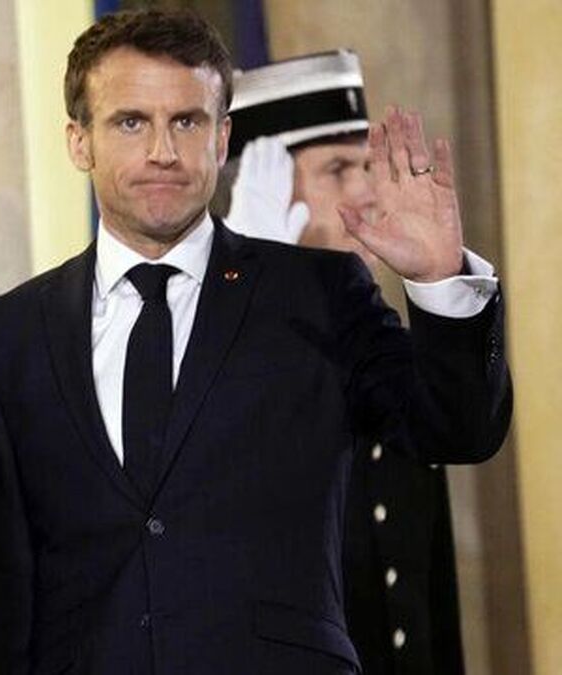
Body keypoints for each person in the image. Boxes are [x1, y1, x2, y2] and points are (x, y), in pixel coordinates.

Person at [0, 9, 510, 675]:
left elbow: (456, 429)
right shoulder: (5, 333)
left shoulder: (317, 293)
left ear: (222, 137)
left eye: (187, 122)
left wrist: (439, 281)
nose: (163, 151)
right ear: (79, 142)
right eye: (131, 122)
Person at [224, 50, 465, 674]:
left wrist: (443, 280)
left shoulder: (379, 341)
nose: (368, 194)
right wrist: (248, 290)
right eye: (337, 169)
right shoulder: (207, 349)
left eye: (368, 166)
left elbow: (466, 430)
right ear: (261, 186)